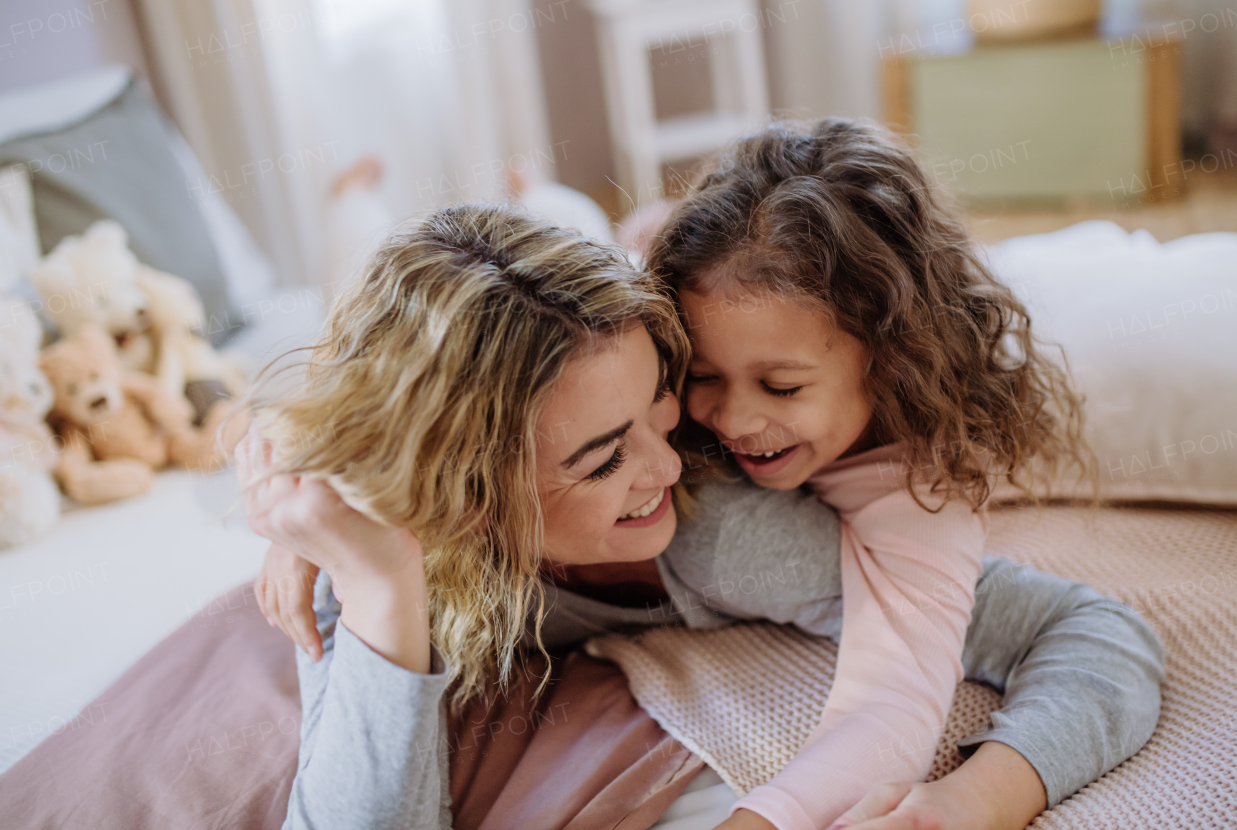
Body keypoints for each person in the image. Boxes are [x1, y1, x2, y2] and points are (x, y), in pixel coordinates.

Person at [242, 203, 1163, 830]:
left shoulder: (722, 532)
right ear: (460, 491)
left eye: (663, 399)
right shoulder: (377, 540)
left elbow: (1091, 631)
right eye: (603, 456)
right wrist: (380, 588)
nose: (671, 462)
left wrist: (976, 800)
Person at [644, 117, 1100, 829]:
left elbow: (890, 703)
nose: (732, 419)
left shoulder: (916, 484)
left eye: (782, 387)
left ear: (892, 361)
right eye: (704, 376)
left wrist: (766, 819)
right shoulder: (665, 344)